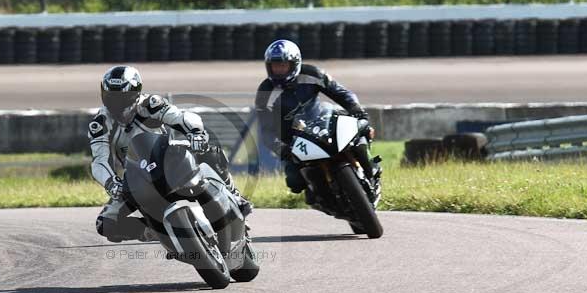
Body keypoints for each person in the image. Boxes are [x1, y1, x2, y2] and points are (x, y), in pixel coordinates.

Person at [90, 65, 251, 243]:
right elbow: (99, 160)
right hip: (138, 177)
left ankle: (235, 195)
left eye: (122, 98)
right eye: (111, 98)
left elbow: (181, 117)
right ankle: (155, 231)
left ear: (135, 93)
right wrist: (111, 182)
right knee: (105, 224)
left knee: (211, 152)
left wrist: (195, 133)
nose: (116, 104)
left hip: (169, 162)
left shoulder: (150, 105)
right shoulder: (101, 123)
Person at [254, 39, 381, 195]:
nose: (278, 70)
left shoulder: (313, 74)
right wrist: (281, 148)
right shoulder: (265, 93)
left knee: (361, 130)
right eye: (274, 66)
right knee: (295, 182)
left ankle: (371, 168)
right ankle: (319, 195)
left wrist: (356, 109)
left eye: (283, 65)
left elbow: (341, 93)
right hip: (294, 141)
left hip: (322, 122)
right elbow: (265, 129)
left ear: (295, 63)